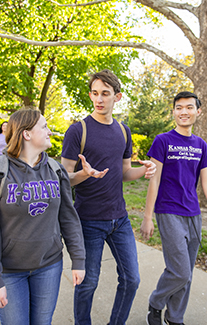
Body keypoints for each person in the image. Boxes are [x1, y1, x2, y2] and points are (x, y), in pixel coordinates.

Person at [61, 69, 156, 325]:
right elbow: (62, 180)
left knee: (131, 279)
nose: (99, 99)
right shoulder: (77, 131)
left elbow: (124, 172)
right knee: (88, 282)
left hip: (119, 220)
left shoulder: (124, 131)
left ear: (118, 96)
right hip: (88, 220)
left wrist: (144, 171)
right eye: (95, 93)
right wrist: (84, 174)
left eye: (105, 93)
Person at [0, 108, 86, 325]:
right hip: (9, 272)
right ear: (26, 134)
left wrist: (78, 259)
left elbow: (68, 218)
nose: (50, 132)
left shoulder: (56, 171)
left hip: (49, 266)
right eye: (44, 127)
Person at [140, 91, 207, 325]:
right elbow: (154, 179)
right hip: (168, 211)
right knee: (180, 271)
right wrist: (147, 217)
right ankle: (156, 303)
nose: (184, 112)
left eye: (189, 107)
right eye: (179, 107)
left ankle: (175, 317)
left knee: (187, 272)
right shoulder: (162, 141)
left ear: (198, 112)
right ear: (173, 112)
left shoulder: (201, 145)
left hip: (193, 213)